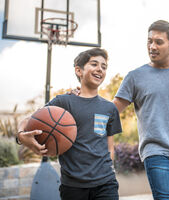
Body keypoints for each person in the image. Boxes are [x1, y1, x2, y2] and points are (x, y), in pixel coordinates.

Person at [69, 20, 169, 200]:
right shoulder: (135, 77)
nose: (152, 46)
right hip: (156, 152)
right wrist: (84, 97)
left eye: (158, 42)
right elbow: (111, 110)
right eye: (149, 41)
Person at [16, 48, 122, 200]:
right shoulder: (63, 101)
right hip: (73, 185)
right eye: (94, 64)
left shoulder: (109, 108)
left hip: (106, 183)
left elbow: (109, 146)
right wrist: (21, 135)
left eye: (104, 66)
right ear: (79, 70)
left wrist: (109, 170)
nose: (100, 69)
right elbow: (28, 120)